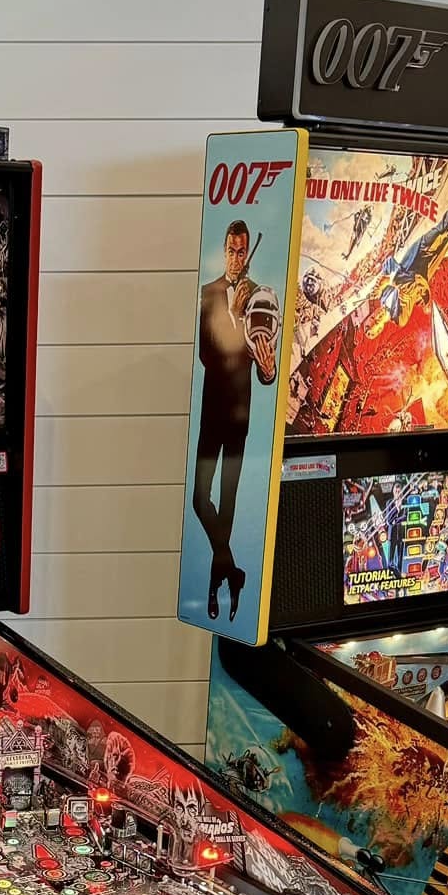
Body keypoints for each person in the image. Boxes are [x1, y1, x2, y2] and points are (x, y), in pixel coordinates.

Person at [190, 219, 257, 622]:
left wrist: (243, 320)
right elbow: (207, 354)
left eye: (241, 251)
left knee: (228, 503)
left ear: (247, 253)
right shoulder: (209, 293)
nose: (235, 258)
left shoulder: (258, 296)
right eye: (231, 251)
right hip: (212, 411)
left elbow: (256, 358)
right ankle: (232, 572)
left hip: (239, 414)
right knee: (201, 499)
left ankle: (216, 586)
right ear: (224, 251)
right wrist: (232, 317)